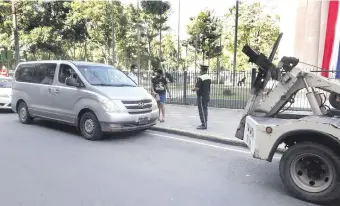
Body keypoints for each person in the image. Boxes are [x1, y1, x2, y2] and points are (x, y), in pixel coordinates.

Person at [191, 65, 211, 129]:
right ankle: (205, 123)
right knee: (205, 110)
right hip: (207, 96)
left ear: (202, 70)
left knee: (202, 111)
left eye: (200, 70)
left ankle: (204, 125)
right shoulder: (208, 77)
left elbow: (197, 88)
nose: (200, 71)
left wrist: (192, 89)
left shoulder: (200, 78)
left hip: (201, 97)